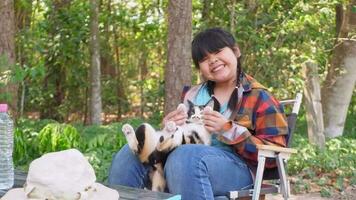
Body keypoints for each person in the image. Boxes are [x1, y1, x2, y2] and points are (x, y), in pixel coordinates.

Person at [108, 27, 288, 200]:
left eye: (218, 52)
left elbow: (275, 155)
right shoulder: (193, 95)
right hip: (184, 165)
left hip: (238, 170)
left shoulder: (259, 96)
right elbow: (182, 139)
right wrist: (169, 130)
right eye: (204, 58)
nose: (213, 60)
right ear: (199, 67)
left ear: (236, 51)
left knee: (186, 156)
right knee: (131, 151)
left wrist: (227, 129)